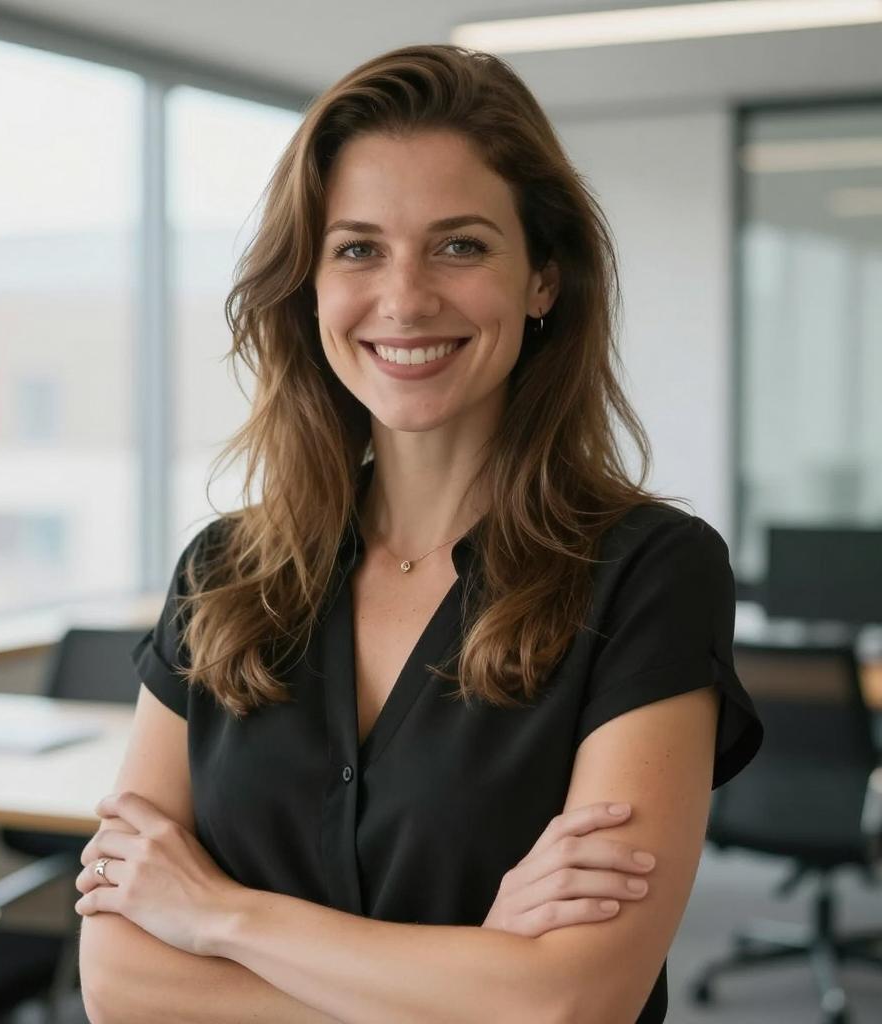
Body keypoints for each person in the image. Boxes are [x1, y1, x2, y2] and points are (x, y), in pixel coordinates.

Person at [74, 43, 763, 1024]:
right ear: (307, 286)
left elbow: (570, 1002)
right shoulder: (223, 575)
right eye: (358, 247)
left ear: (542, 280)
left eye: (460, 245)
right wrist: (475, 975)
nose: (405, 297)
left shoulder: (646, 574)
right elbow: (119, 983)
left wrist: (217, 915)